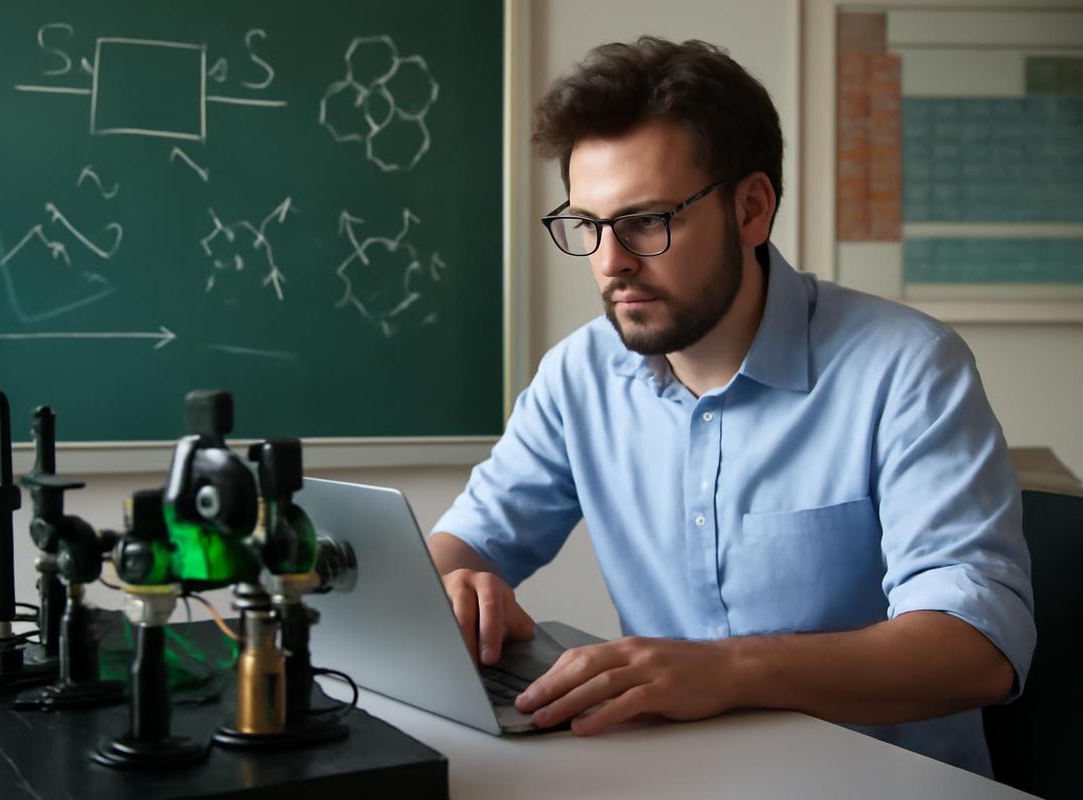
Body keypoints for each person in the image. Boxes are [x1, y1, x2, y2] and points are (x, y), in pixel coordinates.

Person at [427, 37, 1034, 777]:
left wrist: (728, 670)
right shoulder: (579, 375)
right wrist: (453, 588)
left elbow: (977, 652)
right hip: (679, 781)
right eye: (587, 225)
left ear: (751, 209)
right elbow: (458, 550)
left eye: (647, 220)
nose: (611, 261)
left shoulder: (906, 368)